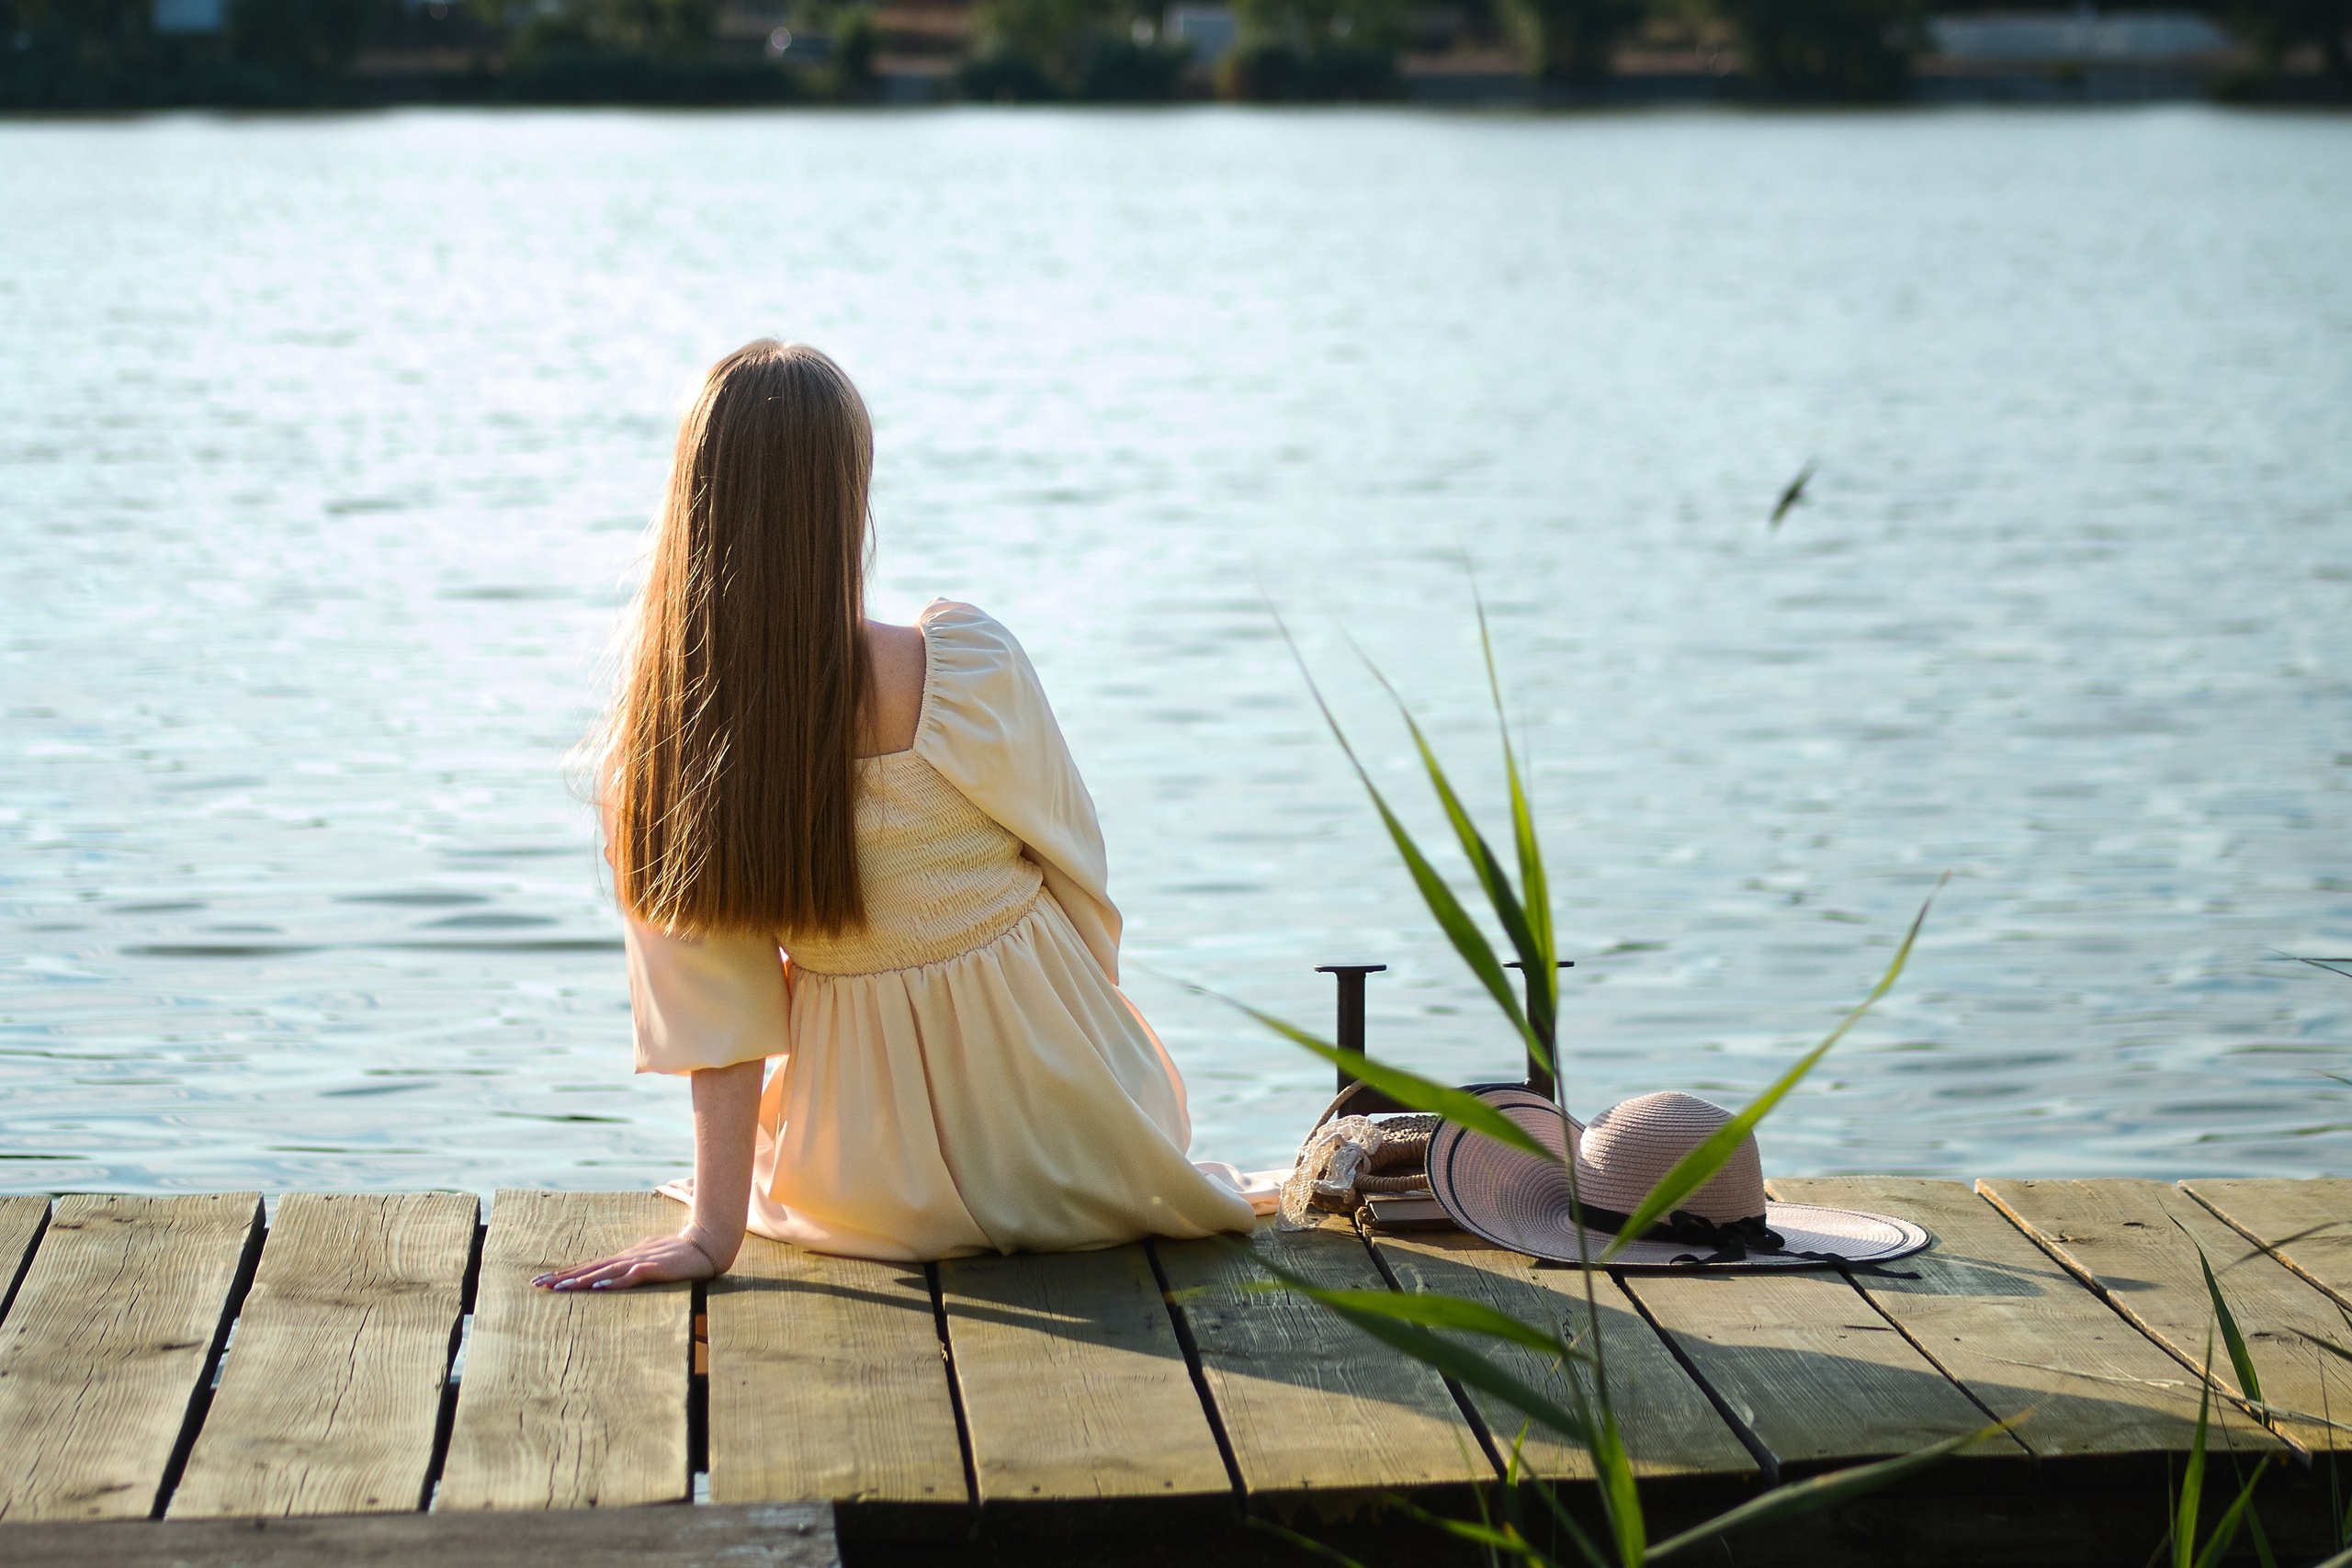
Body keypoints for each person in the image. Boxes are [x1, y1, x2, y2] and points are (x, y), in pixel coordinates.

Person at [535, 341, 1258, 1292]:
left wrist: (714, 1235)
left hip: (862, 1180)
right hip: (1079, 1135)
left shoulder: (666, 751)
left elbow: (719, 1021)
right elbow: (1081, 885)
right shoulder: (965, 666)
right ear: (846, 495)